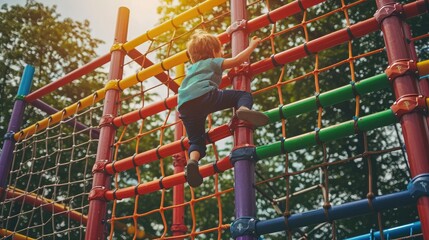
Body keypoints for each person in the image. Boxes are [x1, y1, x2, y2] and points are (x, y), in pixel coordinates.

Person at [178, 30, 269, 187]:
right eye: (220, 50)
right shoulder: (213, 62)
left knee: (197, 141)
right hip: (205, 96)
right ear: (213, 52)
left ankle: (192, 161)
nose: (222, 53)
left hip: (184, 106)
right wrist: (252, 45)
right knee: (242, 95)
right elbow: (237, 60)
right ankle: (242, 109)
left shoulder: (191, 69)